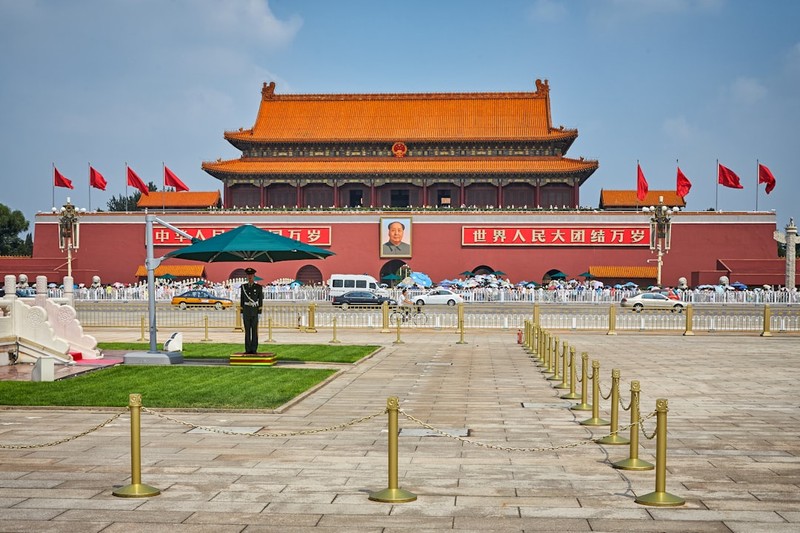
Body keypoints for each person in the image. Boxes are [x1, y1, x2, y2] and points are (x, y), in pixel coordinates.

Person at [240, 267, 263, 354]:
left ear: (254, 276)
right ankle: (247, 349)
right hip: (246, 311)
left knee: (254, 331)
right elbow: (242, 300)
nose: (250, 277)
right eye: (248, 275)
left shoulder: (258, 287)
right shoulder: (243, 287)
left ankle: (254, 349)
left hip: (254, 311)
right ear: (246, 276)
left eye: (251, 275)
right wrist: (242, 312)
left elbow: (260, 300)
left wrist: (259, 312)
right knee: (247, 331)